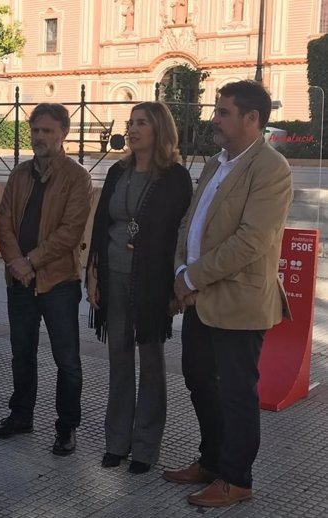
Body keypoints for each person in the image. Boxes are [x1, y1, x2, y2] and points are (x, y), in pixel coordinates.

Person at [165, 80, 293, 507]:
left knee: (236, 393)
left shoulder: (271, 168)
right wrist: (182, 270)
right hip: (199, 296)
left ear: (251, 118)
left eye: (223, 112)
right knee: (199, 380)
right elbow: (191, 222)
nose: (214, 119)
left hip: (238, 302)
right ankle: (212, 460)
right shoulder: (217, 163)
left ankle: (236, 479)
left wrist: (193, 277)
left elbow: (250, 241)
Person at [86, 102, 192, 473]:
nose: (132, 129)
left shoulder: (175, 177)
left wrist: (174, 283)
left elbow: (178, 233)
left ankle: (146, 446)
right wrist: (93, 273)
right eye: (130, 123)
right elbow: (101, 225)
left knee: (150, 361)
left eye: (141, 123)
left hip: (152, 280)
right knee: (118, 357)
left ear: (159, 130)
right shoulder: (118, 171)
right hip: (112, 274)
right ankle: (117, 441)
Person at [0, 103, 92, 456]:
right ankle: (20, 416)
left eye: (47, 131)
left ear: (63, 133)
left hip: (58, 281)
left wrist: (31, 260)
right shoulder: (19, 174)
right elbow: (3, 221)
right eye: (35, 130)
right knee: (22, 354)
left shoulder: (77, 177)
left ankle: (66, 428)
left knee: (67, 360)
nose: (40, 137)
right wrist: (16, 263)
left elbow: (70, 231)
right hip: (19, 280)